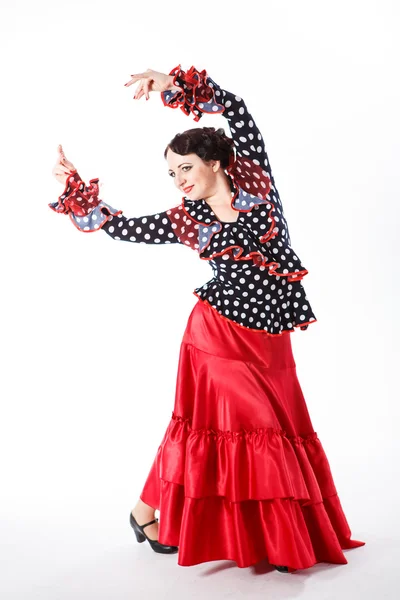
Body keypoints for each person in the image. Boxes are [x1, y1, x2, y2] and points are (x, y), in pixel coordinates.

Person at [50, 65, 365, 573]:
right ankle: (278, 543)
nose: (179, 180)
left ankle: (143, 510)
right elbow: (122, 228)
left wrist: (168, 84)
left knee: (221, 427)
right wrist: (75, 191)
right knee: (250, 427)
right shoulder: (186, 218)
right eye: (171, 173)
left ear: (217, 163)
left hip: (270, 336)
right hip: (215, 334)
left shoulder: (255, 179)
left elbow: (238, 111)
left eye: (186, 168)